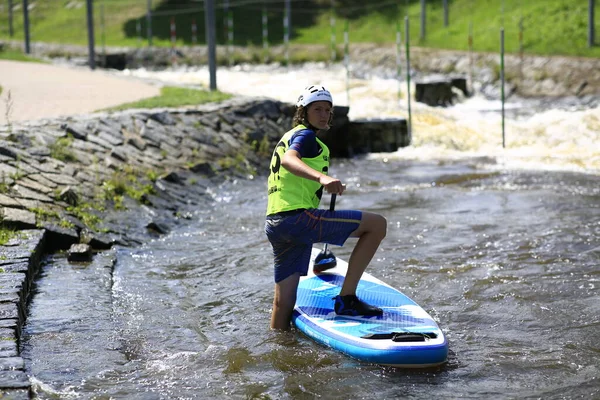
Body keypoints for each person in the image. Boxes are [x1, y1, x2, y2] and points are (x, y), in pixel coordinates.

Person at [265, 85, 387, 330]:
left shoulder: (288, 136)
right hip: (300, 219)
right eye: (317, 109)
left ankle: (279, 350)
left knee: (283, 302)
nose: (323, 114)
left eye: (327, 110)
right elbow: (290, 160)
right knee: (377, 225)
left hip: (276, 223)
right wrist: (322, 178)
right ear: (304, 112)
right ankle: (347, 299)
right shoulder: (305, 136)